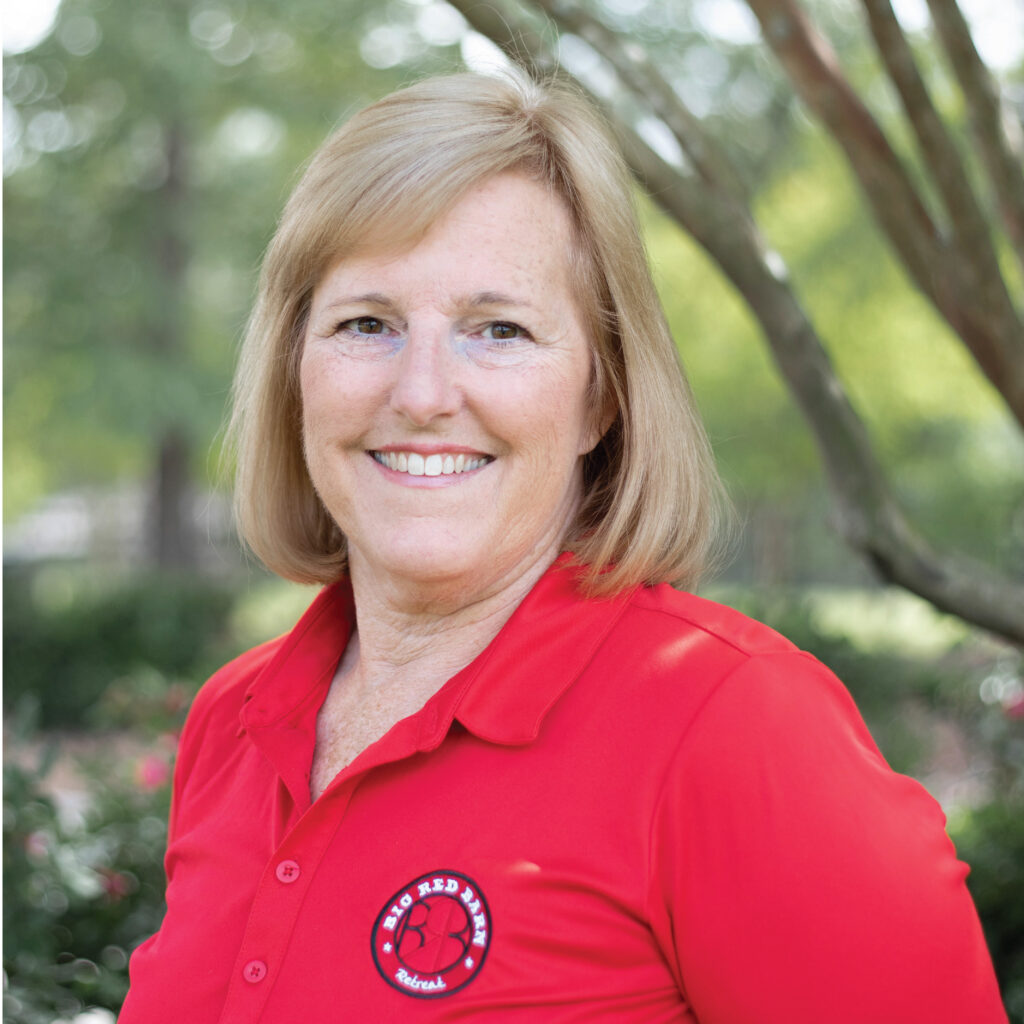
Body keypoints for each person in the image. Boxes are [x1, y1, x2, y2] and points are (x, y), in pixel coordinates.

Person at [119, 70, 1006, 1023]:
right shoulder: (235, 721)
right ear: (295, 370)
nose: (422, 394)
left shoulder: (736, 724)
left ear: (601, 398)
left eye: (498, 330)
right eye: (366, 324)